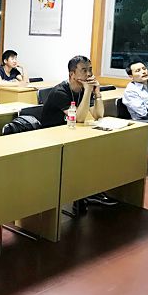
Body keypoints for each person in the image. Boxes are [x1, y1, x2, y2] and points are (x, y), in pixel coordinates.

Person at [41, 56, 112, 210]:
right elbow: (79, 118)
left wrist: (97, 92)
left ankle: (89, 191)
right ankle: (83, 192)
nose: (89, 74)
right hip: (51, 137)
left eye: (90, 70)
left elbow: (98, 114)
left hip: (70, 132)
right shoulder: (60, 92)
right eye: (84, 70)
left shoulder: (83, 89)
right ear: (72, 74)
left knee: (98, 150)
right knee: (84, 154)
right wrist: (88, 90)